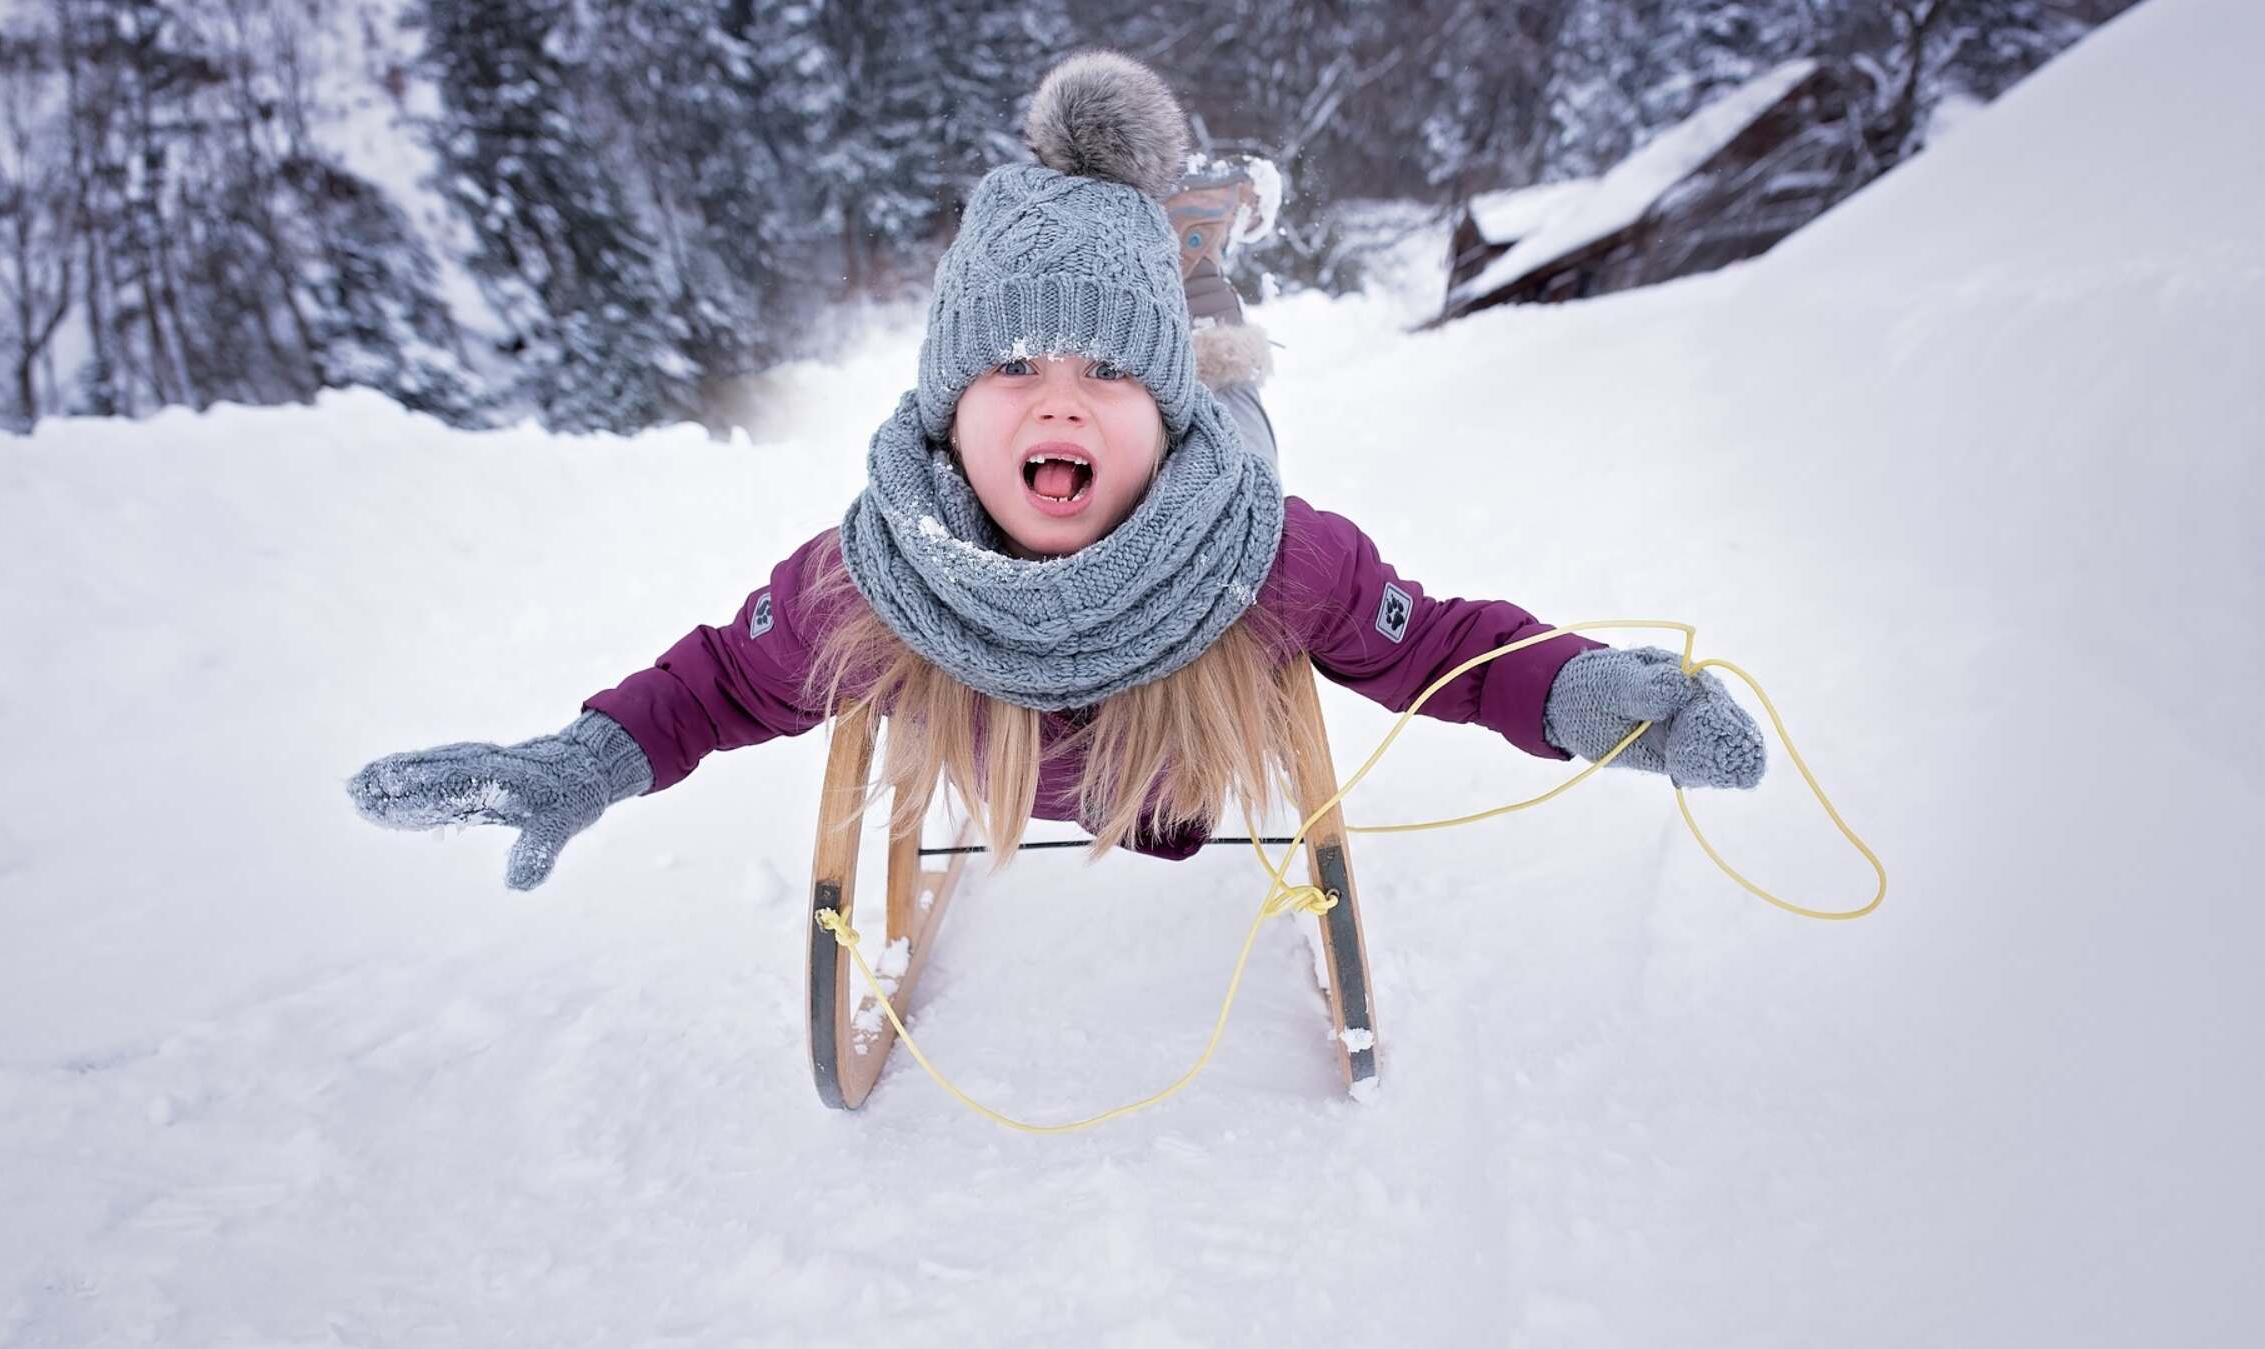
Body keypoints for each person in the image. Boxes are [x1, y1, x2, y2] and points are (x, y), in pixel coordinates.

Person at [347, 52, 1765, 892]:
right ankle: (1168, 248)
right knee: (1144, 327)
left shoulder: (1266, 557)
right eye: (1013, 370)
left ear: (1158, 412)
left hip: (1195, 516)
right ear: (949, 410)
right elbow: (722, 679)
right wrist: (584, 759)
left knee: (1215, 358)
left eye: (1104, 379)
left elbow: (1445, 650)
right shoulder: (878, 572)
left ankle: (1186, 270)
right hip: (1102, 523)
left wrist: (1596, 700)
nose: (1059, 405)